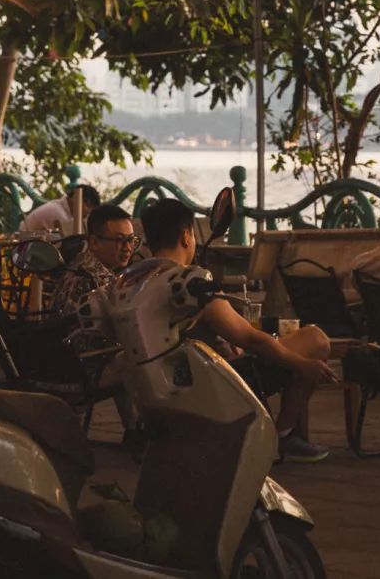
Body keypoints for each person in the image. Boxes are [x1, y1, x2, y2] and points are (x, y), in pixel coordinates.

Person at [139, 198, 337, 463]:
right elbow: (250, 339)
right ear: (186, 237)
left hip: (169, 384)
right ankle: (280, 437)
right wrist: (303, 364)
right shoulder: (190, 283)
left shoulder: (138, 283)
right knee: (315, 339)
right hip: (220, 381)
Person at [50, 204, 137, 314]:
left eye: (131, 239)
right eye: (119, 240)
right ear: (95, 242)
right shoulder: (96, 281)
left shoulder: (76, 263)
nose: (128, 247)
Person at [23, 183, 101, 234]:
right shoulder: (58, 213)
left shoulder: (60, 207)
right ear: (81, 200)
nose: (88, 213)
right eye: (89, 208)